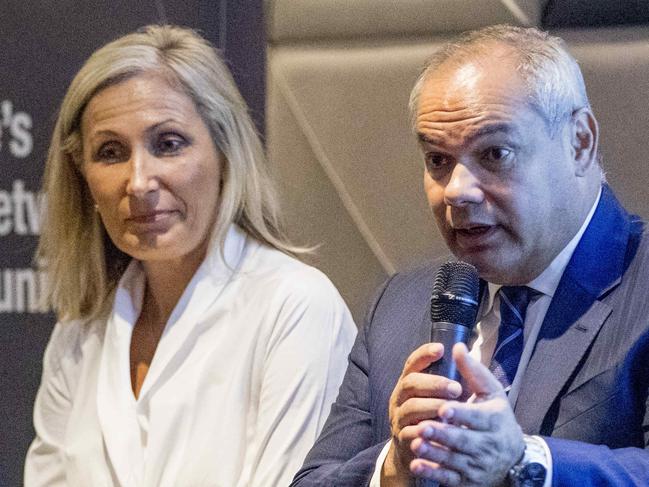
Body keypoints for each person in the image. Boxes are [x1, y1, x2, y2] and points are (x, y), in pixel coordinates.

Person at [291, 24, 649, 486]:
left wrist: (525, 461)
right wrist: (395, 469)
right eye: (438, 161)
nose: (457, 191)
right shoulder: (400, 306)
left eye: (495, 154)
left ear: (579, 142)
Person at [24, 24, 356, 487]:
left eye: (169, 144)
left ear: (225, 153)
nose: (138, 182)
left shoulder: (295, 306)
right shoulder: (77, 334)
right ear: (83, 176)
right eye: (111, 151)